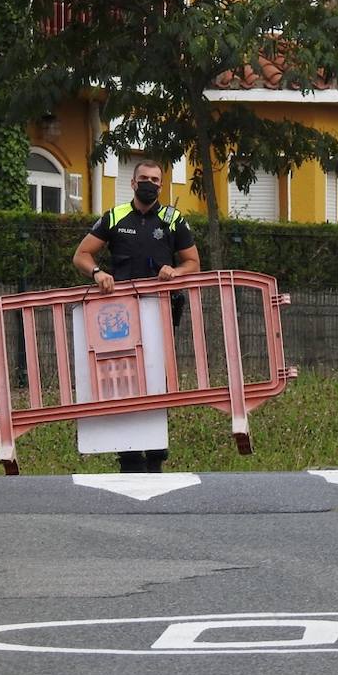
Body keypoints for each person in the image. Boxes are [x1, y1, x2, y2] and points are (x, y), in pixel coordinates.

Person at [72, 159, 200, 473]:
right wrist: (98, 273)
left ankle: (155, 455)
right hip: (120, 315)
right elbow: (81, 255)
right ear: (132, 183)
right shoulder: (115, 217)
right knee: (123, 378)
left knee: (158, 380)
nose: (150, 184)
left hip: (161, 310)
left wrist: (176, 271)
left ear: (161, 184)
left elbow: (193, 262)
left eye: (155, 180)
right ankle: (128, 456)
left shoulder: (173, 220)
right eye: (144, 178)